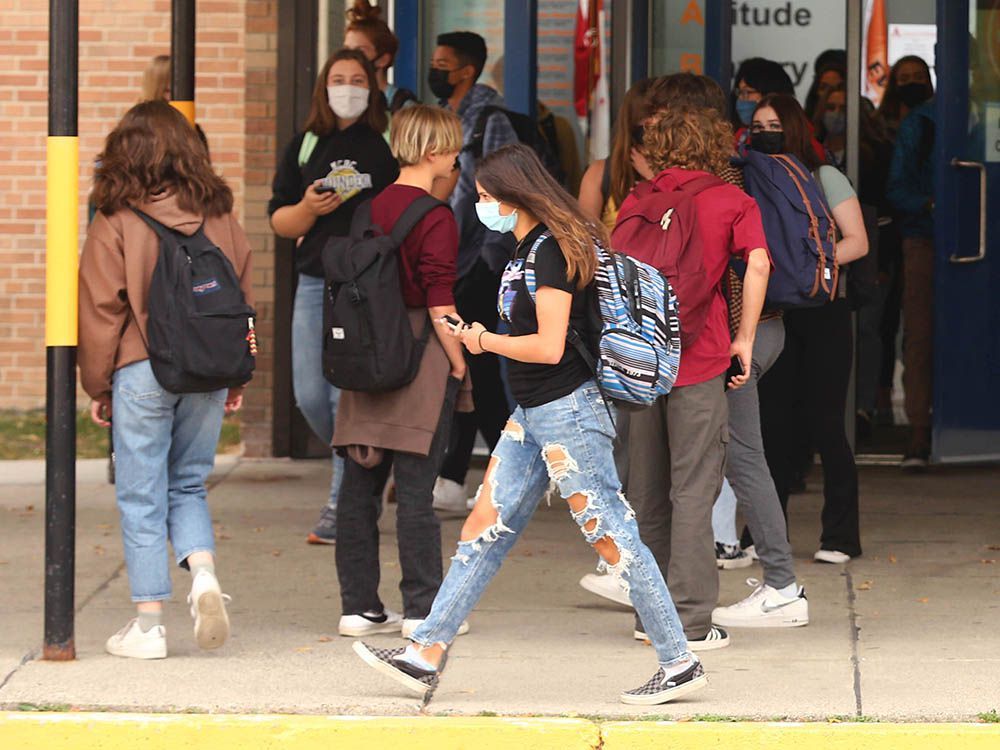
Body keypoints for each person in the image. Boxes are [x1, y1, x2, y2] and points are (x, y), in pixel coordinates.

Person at [353, 143, 707, 706]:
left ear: (516, 196)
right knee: (483, 532)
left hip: (568, 410)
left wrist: (482, 340)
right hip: (534, 414)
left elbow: (546, 346)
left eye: (488, 196)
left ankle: (678, 661)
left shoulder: (549, 252)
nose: (480, 204)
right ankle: (425, 652)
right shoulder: (524, 248)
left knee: (614, 536)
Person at [79, 100, 252, 659]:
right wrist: (236, 375)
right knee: (187, 483)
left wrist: (98, 385)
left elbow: (102, 310)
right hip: (206, 371)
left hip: (142, 370)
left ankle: (150, 625)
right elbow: (241, 300)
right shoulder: (221, 214)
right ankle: (202, 574)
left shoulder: (116, 220)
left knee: (142, 494)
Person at [622, 104, 772, 650]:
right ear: (714, 145)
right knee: (693, 489)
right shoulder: (731, 199)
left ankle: (647, 617)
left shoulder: (636, 201)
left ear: (657, 149)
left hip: (638, 365)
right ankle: (687, 623)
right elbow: (757, 263)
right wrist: (745, 339)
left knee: (645, 489)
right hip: (700, 358)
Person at [331, 105, 473, 639]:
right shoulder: (436, 217)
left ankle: (358, 606)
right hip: (418, 356)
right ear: (435, 152)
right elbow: (441, 301)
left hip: (366, 356)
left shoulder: (368, 209)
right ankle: (422, 610)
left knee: (359, 486)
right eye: (454, 148)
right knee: (415, 491)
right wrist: (461, 361)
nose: (458, 157)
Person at [268, 49, 399, 544]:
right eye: (338, 79)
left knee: (348, 393)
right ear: (324, 87)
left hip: (369, 286)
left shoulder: (386, 141)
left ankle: (342, 503)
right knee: (310, 393)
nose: (348, 88)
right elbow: (281, 221)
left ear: (372, 86)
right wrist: (308, 206)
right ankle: (365, 461)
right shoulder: (305, 145)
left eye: (357, 79)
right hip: (313, 281)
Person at [751, 94, 869, 564]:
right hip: (776, 313)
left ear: (796, 127)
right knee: (773, 427)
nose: (764, 132)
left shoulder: (825, 176)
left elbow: (856, 241)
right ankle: (762, 534)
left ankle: (841, 536)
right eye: (757, 124)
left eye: (774, 124)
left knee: (825, 423)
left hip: (824, 312)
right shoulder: (750, 178)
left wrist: (808, 269)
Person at [428, 31, 520, 513]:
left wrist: (488, 261)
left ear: (466, 69)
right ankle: (452, 476)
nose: (435, 70)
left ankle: (509, 473)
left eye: (443, 63)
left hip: (478, 265)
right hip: (450, 261)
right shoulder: (446, 118)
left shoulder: (490, 120)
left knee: (479, 373)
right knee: (462, 372)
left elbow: (506, 188)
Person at [885, 62, 935, 470]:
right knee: (919, 336)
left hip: (977, 243)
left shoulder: (982, 113)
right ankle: (919, 433)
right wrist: (933, 204)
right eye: (904, 80)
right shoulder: (921, 123)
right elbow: (897, 190)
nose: (913, 86)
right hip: (925, 239)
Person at [578, 77, 669, 230]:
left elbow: (678, 219)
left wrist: (654, 178)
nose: (652, 128)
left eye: (660, 119)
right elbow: (585, 237)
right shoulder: (601, 173)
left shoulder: (679, 171)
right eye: (645, 122)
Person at [731, 57, 826, 164]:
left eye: (747, 92)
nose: (740, 99)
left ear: (769, 94)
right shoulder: (741, 136)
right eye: (739, 92)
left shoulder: (807, 145)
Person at [343, 0, 417, 115]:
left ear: (383, 59)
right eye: (347, 50)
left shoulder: (404, 108)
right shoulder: (343, 103)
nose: (350, 57)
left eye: (360, 51)